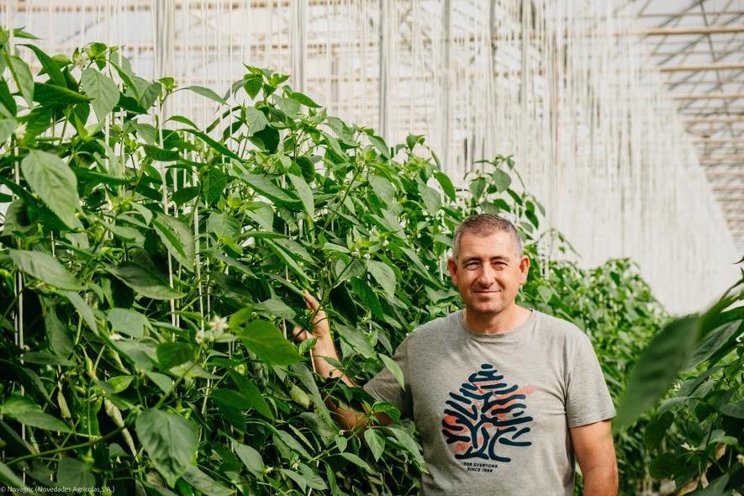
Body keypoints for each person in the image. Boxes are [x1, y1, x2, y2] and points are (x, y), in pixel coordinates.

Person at [293, 214, 618, 495]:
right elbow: (358, 421)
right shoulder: (422, 345)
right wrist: (324, 349)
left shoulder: (565, 345)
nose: (486, 277)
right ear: (453, 270)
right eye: (473, 263)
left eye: (499, 263)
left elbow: (601, 469)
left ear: (522, 270)